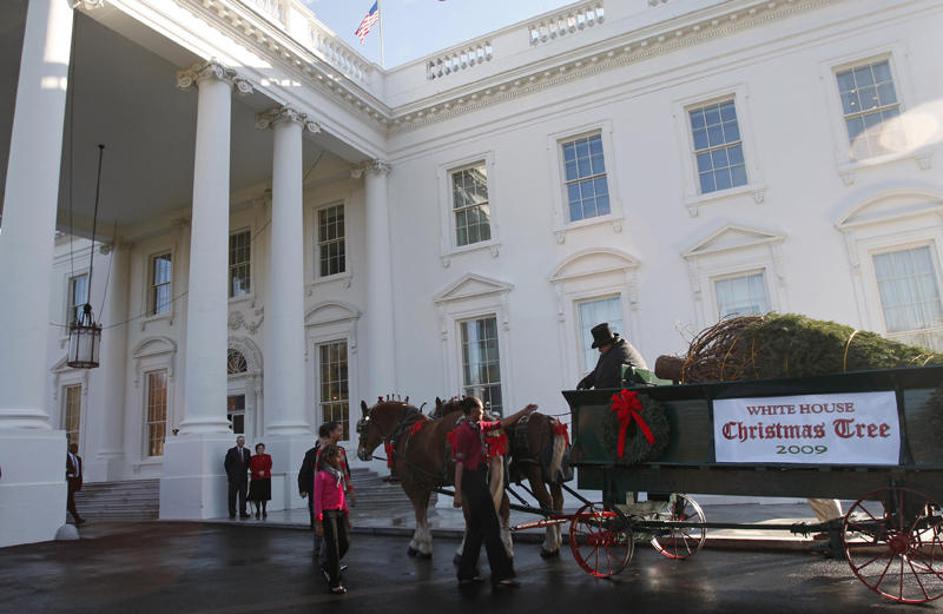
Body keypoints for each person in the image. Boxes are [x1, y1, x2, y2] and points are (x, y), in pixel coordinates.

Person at [452, 397, 538, 589]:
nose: (483, 411)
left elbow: (501, 423)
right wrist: (458, 493)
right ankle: (501, 575)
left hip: (478, 478)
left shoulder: (478, 426)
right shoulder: (464, 432)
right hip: (472, 480)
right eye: (481, 409)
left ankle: (466, 573)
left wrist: (524, 412)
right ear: (473, 410)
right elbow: (459, 464)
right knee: (491, 527)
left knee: (475, 529)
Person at [314, 444, 351, 595]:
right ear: (329, 458)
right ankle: (335, 583)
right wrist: (319, 520)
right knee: (333, 547)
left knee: (345, 542)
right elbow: (317, 499)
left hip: (340, 512)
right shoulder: (321, 475)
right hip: (328, 514)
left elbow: (342, 495)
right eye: (337, 456)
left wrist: (346, 513)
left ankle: (328, 565)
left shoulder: (338, 474)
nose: (340, 458)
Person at [577, 322, 648, 390]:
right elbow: (597, 372)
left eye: (600, 346)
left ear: (607, 343)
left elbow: (603, 382)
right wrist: (586, 382)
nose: (599, 350)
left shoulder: (617, 353)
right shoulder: (615, 348)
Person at [224, 436, 251, 520]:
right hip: (234, 478)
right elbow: (227, 464)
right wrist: (231, 475)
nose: (241, 442)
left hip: (243, 478)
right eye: (240, 441)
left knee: (243, 496)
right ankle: (232, 512)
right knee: (232, 496)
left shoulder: (247, 451)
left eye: (243, 441)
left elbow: (248, 463)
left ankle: (243, 512)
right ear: (236, 442)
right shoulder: (231, 451)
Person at [248, 443, 272, 520]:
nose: (260, 450)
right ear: (256, 449)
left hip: (265, 478)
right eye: (259, 448)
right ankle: (258, 510)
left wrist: (264, 471)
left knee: (264, 495)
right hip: (256, 478)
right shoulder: (252, 458)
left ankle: (264, 510)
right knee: (256, 495)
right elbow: (251, 467)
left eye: (262, 448)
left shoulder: (268, 457)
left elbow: (269, 465)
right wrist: (258, 472)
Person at [66, 443, 85, 526]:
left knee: (69, 500)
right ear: (70, 448)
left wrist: (79, 484)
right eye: (74, 448)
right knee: (70, 500)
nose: (76, 449)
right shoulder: (65, 456)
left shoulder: (78, 458)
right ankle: (77, 518)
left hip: (74, 482)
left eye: (76, 448)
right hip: (67, 480)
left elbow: (79, 472)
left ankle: (76, 518)